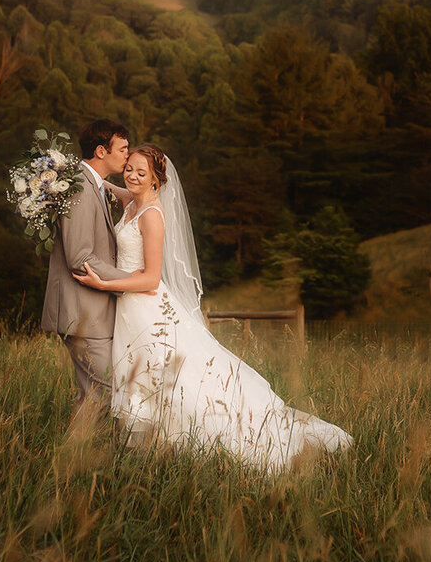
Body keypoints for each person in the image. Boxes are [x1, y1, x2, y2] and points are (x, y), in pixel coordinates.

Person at [74, 143, 352, 472]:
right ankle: (144, 449)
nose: (132, 176)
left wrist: (105, 284)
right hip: (129, 312)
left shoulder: (151, 216)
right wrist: (75, 173)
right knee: (143, 380)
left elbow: (150, 279)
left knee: (174, 382)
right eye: (129, 168)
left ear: (157, 180)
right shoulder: (132, 200)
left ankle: (192, 443)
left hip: (146, 308)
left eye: (141, 172)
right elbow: (105, 184)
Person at [41, 119, 132, 425]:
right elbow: (80, 256)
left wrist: (118, 190)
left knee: (96, 393)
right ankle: (72, 463)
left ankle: (83, 461)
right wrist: (132, 282)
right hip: (82, 313)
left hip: (90, 314)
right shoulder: (80, 187)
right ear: (101, 151)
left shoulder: (88, 181)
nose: (128, 155)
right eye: (123, 149)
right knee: (104, 391)